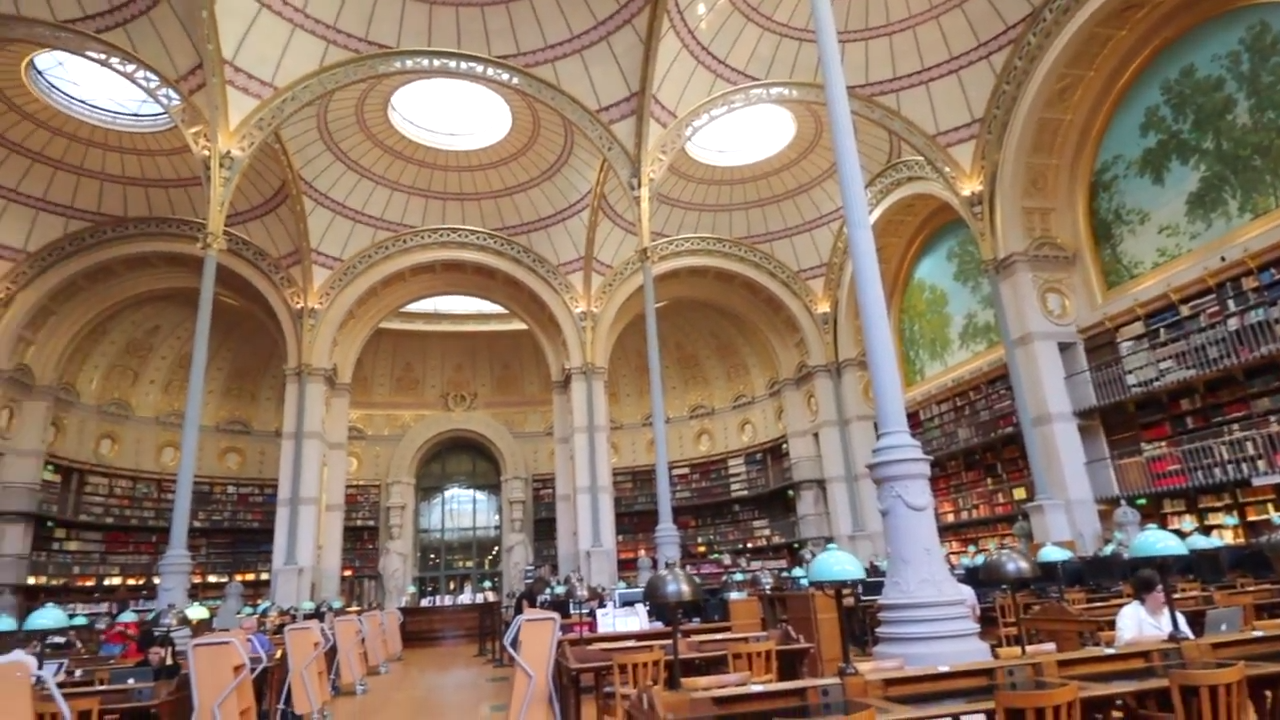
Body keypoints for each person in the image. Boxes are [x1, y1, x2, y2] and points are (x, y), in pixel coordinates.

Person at [1114, 569, 1193, 646]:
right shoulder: (1129, 612)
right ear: (1144, 593)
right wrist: (1168, 636)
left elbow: (1190, 640)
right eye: (1159, 591)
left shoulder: (1174, 614)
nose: (1166, 595)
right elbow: (1125, 642)